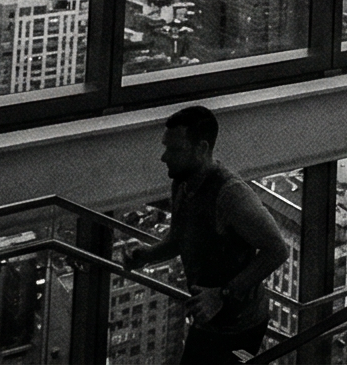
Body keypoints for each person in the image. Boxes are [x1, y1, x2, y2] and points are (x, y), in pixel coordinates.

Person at [121, 105, 291, 365]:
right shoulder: (183, 183)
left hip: (238, 326)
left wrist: (221, 295)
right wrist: (147, 255)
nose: (164, 157)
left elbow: (277, 250)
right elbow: (179, 239)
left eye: (174, 149)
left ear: (201, 149)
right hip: (209, 319)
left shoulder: (230, 194)